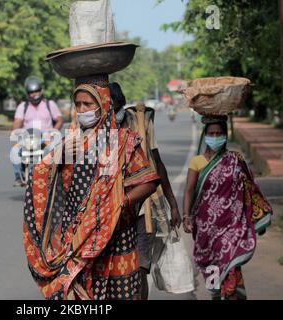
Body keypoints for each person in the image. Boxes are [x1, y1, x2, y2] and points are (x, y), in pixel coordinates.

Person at [23, 81, 160, 300]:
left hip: (117, 235)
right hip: (76, 237)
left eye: (88, 104)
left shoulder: (125, 141)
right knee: (74, 293)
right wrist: (58, 156)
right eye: (78, 104)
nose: (82, 110)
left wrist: (121, 202)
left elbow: (150, 181)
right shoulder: (70, 143)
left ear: (104, 105)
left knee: (120, 294)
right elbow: (39, 176)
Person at [183, 115, 273, 300]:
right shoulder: (197, 162)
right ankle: (215, 295)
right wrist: (186, 216)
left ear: (225, 135)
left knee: (230, 262)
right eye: (212, 133)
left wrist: (258, 215)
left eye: (219, 133)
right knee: (211, 266)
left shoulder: (235, 160)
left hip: (231, 226)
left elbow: (250, 187)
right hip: (205, 227)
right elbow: (189, 191)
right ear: (205, 135)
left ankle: (232, 296)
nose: (215, 137)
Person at [110, 82, 181, 300]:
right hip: (111, 210)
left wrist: (173, 204)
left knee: (140, 268)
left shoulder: (141, 122)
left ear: (121, 104)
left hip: (143, 209)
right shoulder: (96, 129)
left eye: (115, 106)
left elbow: (157, 163)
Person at [12, 76, 64, 187]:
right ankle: (19, 177)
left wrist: (54, 132)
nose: (35, 94)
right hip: (29, 139)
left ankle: (59, 176)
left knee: (56, 152)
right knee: (15, 152)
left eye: (37, 91)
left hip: (46, 140)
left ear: (41, 91)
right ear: (27, 93)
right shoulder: (23, 106)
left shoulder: (50, 104)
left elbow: (59, 120)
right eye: (32, 92)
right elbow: (17, 122)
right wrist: (16, 132)